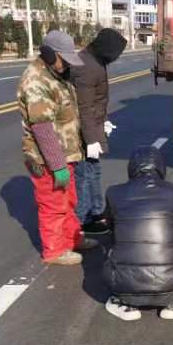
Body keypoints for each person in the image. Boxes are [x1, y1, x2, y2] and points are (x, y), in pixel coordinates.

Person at [17, 30, 99, 266]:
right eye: (64, 60)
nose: (67, 65)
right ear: (50, 54)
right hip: (47, 159)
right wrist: (57, 165)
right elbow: (42, 128)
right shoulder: (36, 81)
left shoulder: (56, 75)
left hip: (65, 155)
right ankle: (54, 250)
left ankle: (71, 238)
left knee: (69, 201)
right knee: (53, 204)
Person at [102, 145, 173, 321]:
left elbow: (110, 227)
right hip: (172, 287)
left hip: (123, 288)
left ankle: (124, 303)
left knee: (113, 238)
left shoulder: (114, 192)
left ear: (131, 167)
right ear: (160, 167)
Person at [70, 28, 127, 234]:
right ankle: (83, 219)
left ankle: (95, 211)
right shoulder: (86, 67)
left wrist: (103, 122)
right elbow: (84, 108)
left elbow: (96, 103)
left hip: (92, 125)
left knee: (94, 171)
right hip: (83, 131)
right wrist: (91, 139)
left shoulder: (94, 61)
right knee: (85, 174)